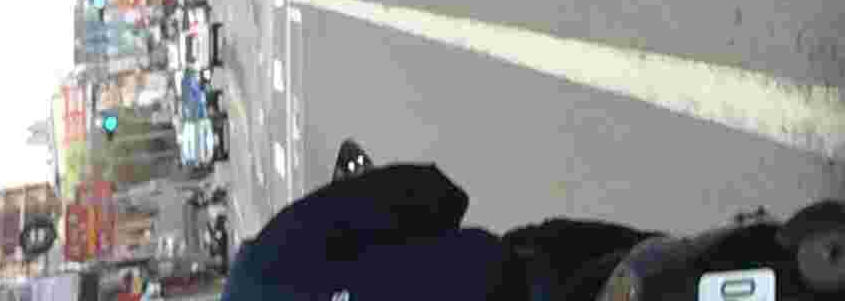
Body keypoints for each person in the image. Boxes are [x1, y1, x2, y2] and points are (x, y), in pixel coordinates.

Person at [218, 156, 644, 301]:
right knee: (655, 261)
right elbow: (418, 191)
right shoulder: (256, 275)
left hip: (521, 279)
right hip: (523, 279)